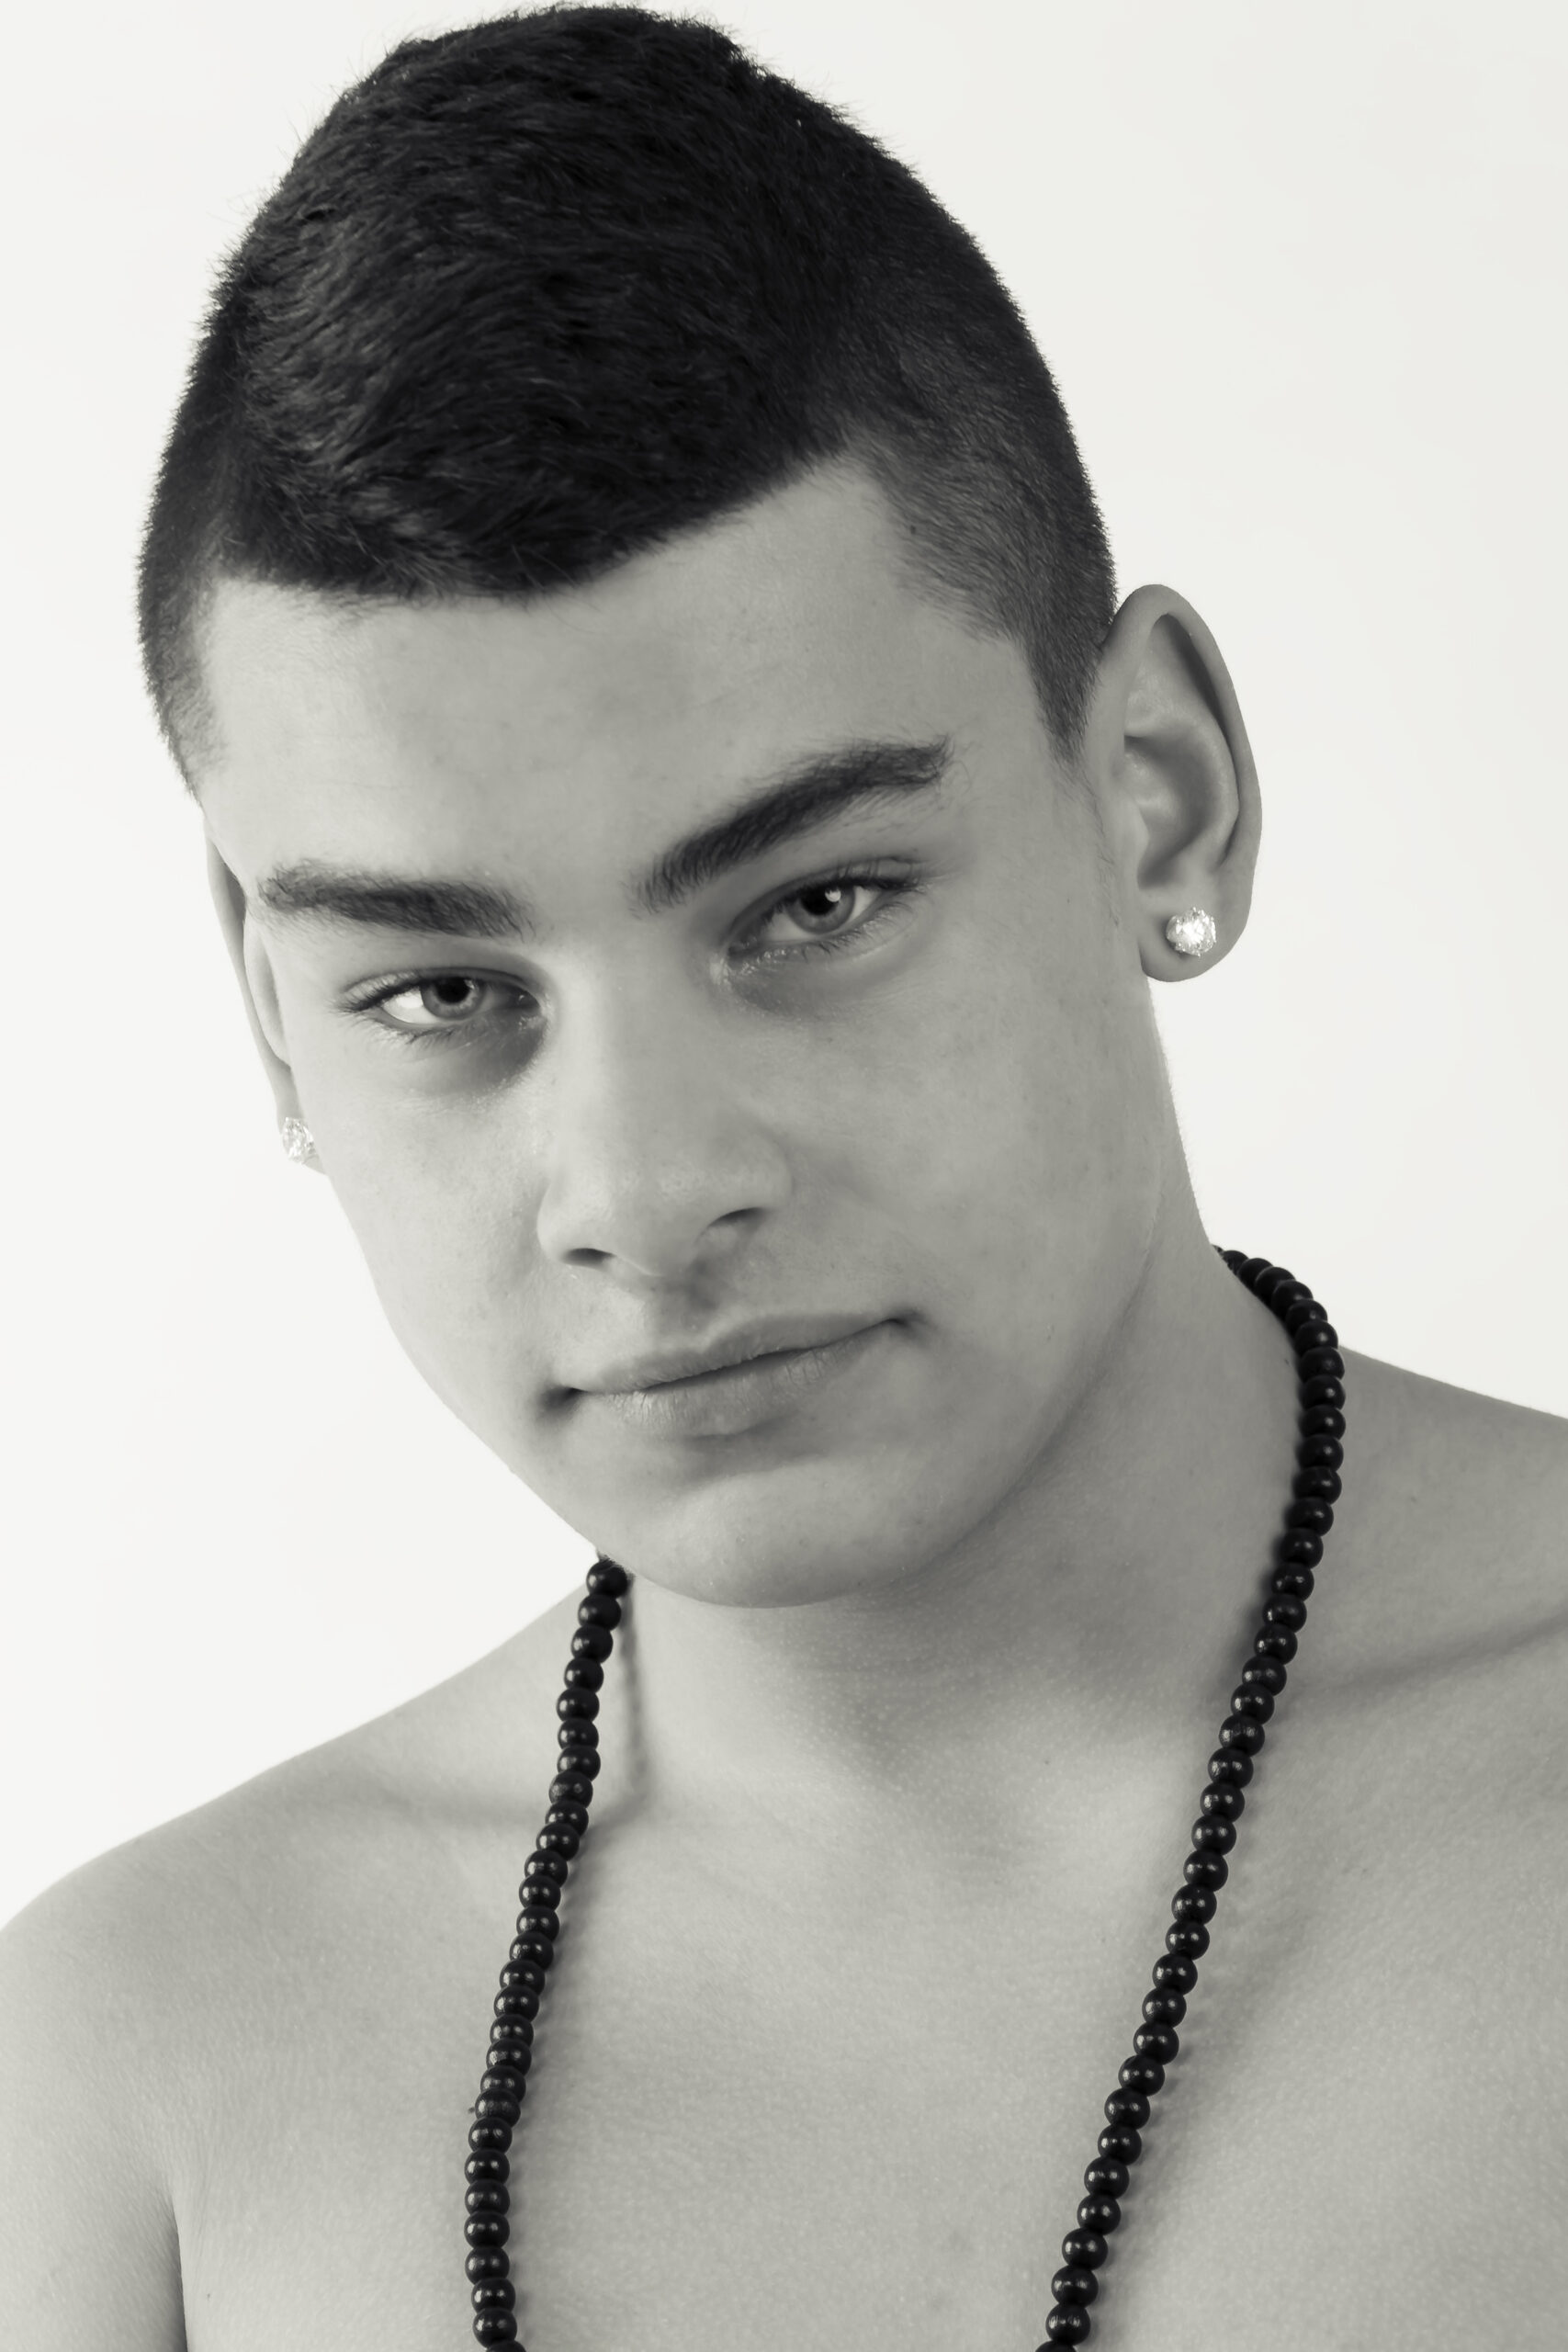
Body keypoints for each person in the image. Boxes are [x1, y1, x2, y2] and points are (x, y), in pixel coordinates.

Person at [2, 6, 1564, 2346]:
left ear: (1153, 795)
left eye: (812, 905)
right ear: (270, 1017)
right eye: (443, 990)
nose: (642, 1190)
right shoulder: (132, 2097)